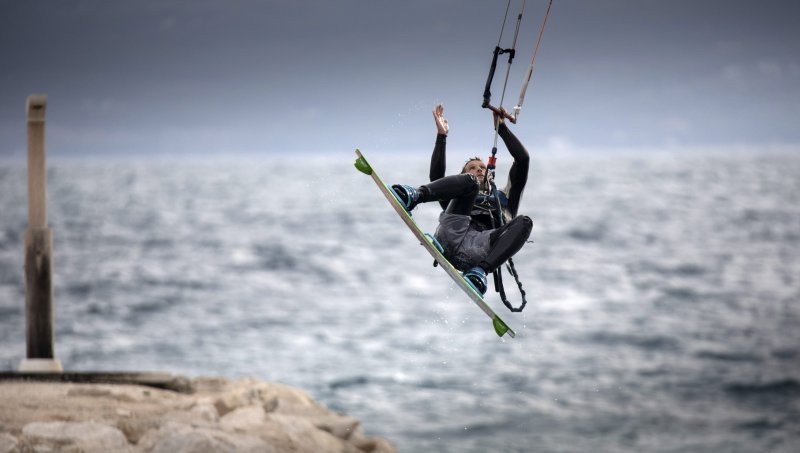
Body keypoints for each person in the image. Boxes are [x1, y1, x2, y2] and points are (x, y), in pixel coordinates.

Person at [391, 104, 532, 295]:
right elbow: (436, 177)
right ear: (462, 175)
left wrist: (503, 129)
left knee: (525, 222)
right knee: (470, 184)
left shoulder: (505, 200)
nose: (479, 170)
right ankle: (414, 196)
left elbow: (522, 160)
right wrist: (442, 137)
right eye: (472, 168)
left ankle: (479, 273)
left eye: (482, 167)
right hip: (452, 234)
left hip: (480, 252)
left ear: (490, 174)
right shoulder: (460, 192)